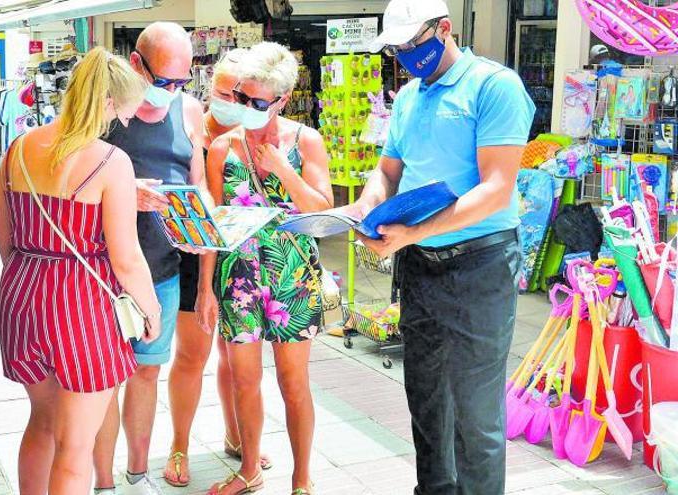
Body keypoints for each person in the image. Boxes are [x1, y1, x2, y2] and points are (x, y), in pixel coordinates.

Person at [346, 1, 535, 493]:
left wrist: (413, 233)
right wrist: (368, 203)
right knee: (426, 401)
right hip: (420, 267)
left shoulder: (495, 86)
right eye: (398, 48)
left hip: (480, 263)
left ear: (444, 29)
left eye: (414, 43)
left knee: (475, 412)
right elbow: (389, 170)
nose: (407, 55)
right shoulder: (409, 96)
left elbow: (496, 188)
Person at [0, 47, 160, 495]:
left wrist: (33, 279)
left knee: (42, 423)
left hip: (21, 295)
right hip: (82, 307)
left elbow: (5, 239)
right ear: (107, 103)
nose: (123, 124)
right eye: (123, 114)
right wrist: (150, 311)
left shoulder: (18, 149)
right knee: (75, 445)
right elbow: (126, 258)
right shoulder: (110, 162)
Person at [199, 41, 334, 495]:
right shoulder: (222, 147)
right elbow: (213, 223)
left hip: (292, 275)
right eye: (240, 97)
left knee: (294, 381)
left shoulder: (305, 141)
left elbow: (323, 212)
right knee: (244, 379)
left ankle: (301, 476)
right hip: (238, 276)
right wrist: (205, 289)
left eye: (256, 101)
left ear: (280, 99)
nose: (244, 108)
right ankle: (249, 467)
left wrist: (283, 170)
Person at [92, 21, 208, 495]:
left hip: (161, 272)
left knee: (146, 374)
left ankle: (137, 475)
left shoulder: (190, 110)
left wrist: (202, 245)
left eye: (184, 81)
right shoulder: (105, 107)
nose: (173, 92)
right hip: (102, 273)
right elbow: (72, 184)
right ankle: (103, 483)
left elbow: (198, 186)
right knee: (102, 383)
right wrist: (122, 193)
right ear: (136, 64)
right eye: (165, 82)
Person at [162, 48, 272, 488]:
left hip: (243, 261)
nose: (237, 102)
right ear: (211, 88)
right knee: (193, 354)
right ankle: (179, 446)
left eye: (245, 95)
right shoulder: (193, 128)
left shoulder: (257, 135)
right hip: (195, 257)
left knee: (236, 360)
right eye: (228, 92)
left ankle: (237, 435)